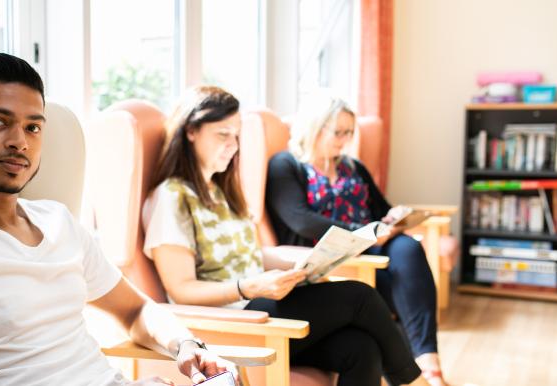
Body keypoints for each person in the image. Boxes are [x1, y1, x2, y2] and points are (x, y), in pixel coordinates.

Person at [0, 53, 235, 386]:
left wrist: (186, 345)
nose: (19, 142)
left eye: (32, 127)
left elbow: (137, 309)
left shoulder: (58, 221)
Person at [142, 86, 431, 386]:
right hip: (229, 321)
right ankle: (417, 384)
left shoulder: (220, 191)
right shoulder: (171, 197)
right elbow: (182, 289)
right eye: (222, 134)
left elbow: (251, 255)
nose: (233, 144)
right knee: (359, 297)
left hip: (254, 303)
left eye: (236, 135)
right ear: (191, 131)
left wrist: (305, 263)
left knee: (361, 348)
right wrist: (249, 287)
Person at [265, 95, 446, 386]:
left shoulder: (353, 166)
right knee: (374, 298)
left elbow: (381, 209)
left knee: (408, 248)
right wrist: (359, 231)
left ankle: (429, 364)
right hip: (327, 256)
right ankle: (419, 378)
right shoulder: (287, 164)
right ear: (315, 127)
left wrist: (394, 216)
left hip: (371, 248)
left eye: (349, 132)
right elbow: (299, 219)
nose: (345, 140)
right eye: (338, 132)